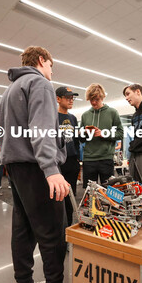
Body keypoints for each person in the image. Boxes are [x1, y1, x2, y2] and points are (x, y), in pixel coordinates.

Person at [0, 46, 69, 283]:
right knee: (52, 233)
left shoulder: (10, 90)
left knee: (23, 228)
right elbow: (42, 130)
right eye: (51, 64)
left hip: (16, 166)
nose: (51, 70)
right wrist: (51, 169)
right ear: (42, 60)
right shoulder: (39, 84)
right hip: (36, 167)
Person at [80, 83, 123, 188]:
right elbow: (81, 139)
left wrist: (103, 133)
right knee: (89, 193)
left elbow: (120, 134)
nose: (94, 102)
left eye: (97, 99)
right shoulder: (85, 115)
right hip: (89, 159)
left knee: (109, 192)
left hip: (106, 158)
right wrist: (85, 133)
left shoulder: (112, 112)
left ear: (102, 97)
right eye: (91, 100)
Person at [56, 86, 80, 227]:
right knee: (58, 197)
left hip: (72, 162)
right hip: (58, 163)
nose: (71, 100)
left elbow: (76, 140)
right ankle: (57, 229)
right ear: (58, 99)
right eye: (67, 98)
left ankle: (67, 229)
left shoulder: (73, 118)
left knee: (70, 198)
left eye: (72, 98)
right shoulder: (52, 117)